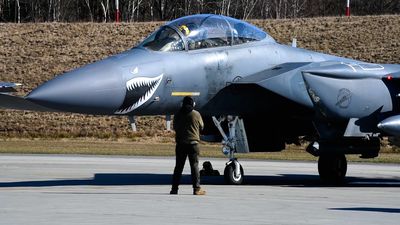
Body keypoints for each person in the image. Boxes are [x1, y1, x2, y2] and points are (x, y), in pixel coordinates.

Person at [170, 96, 206, 195]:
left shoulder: (177, 114)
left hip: (181, 144)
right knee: (194, 166)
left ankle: (174, 189)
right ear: (192, 104)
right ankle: (196, 189)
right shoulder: (196, 114)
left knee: (178, 167)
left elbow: (175, 127)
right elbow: (202, 127)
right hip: (193, 144)